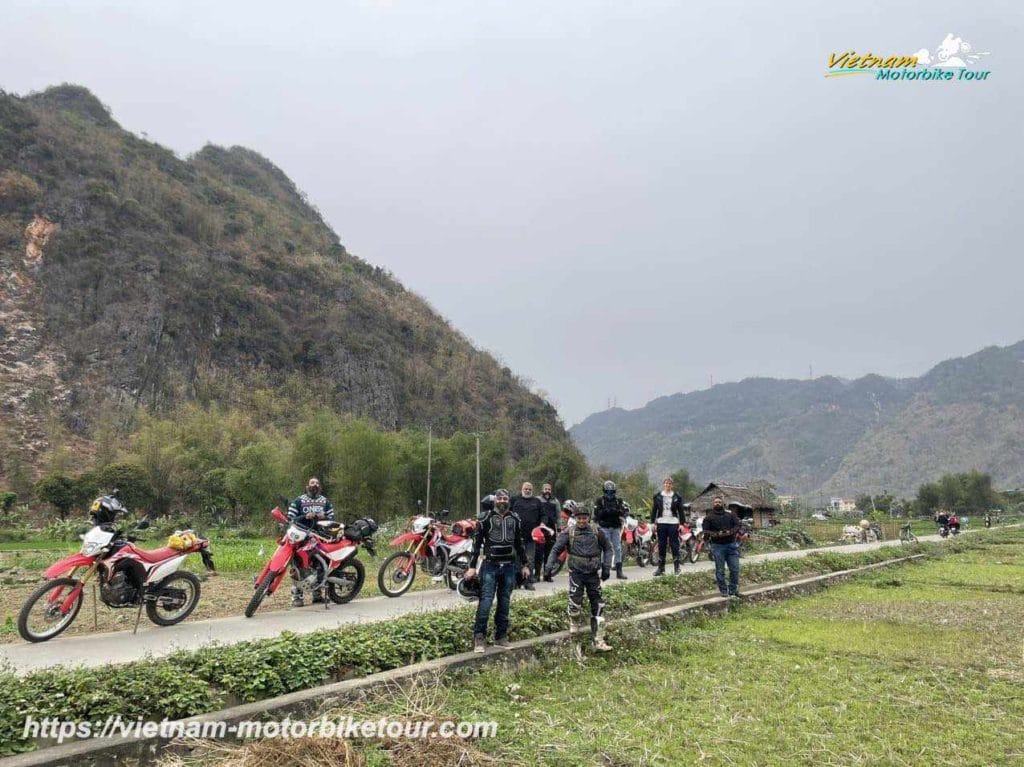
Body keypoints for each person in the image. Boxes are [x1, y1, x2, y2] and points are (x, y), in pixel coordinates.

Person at [465, 489, 530, 652]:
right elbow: (476, 543)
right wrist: (472, 567)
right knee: (486, 601)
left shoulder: (515, 519)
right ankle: (479, 637)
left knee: (505, 602)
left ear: (509, 500)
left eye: (505, 498)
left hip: (509, 565)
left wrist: (525, 564)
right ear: (495, 500)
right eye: (499, 498)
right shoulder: (485, 518)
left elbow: (519, 542)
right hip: (490, 565)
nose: (502, 501)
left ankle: (501, 636)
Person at [545, 503, 613, 652]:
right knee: (575, 604)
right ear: (575, 518)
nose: (582, 521)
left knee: (599, 606)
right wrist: (549, 567)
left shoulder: (597, 531)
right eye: (579, 518)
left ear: (588, 518)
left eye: (584, 518)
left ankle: (599, 640)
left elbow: (608, 548)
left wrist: (607, 567)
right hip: (576, 572)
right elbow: (556, 549)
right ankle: (574, 623)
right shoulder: (569, 532)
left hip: (593, 574)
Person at [287, 477, 335, 606]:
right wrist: (305, 516)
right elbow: (290, 518)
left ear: (320, 487)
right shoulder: (299, 500)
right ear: (307, 485)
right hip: (301, 536)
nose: (315, 485)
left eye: (317, 483)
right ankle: (297, 597)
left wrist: (323, 516)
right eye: (312, 483)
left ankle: (317, 595)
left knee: (319, 565)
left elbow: (332, 518)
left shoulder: (325, 501)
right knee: (298, 566)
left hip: (319, 536)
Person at [702, 496, 742, 597]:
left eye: (719, 502)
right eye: (715, 502)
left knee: (735, 569)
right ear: (713, 504)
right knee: (720, 570)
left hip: (731, 545)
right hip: (717, 546)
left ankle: (733, 590)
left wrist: (730, 532)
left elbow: (737, 526)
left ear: (723, 503)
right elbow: (705, 531)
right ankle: (723, 590)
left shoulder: (731, 515)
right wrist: (716, 534)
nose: (717, 503)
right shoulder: (708, 518)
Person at [510, 482, 545, 589]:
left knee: (530, 560)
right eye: (526, 489)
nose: (528, 491)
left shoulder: (537, 501)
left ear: (532, 490)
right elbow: (507, 513)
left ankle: (528, 582)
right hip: (516, 536)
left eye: (529, 489)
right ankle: (515, 582)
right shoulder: (514, 500)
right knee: (515, 559)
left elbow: (543, 515)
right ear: (522, 489)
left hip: (531, 537)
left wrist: (543, 522)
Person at [651, 477, 686, 576]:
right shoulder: (657, 496)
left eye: (669, 483)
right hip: (661, 522)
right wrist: (652, 523)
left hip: (673, 522)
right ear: (663, 484)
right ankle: (661, 569)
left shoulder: (677, 497)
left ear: (672, 485)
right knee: (661, 545)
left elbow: (681, 511)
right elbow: (654, 510)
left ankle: (677, 568)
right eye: (666, 483)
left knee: (674, 544)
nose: (668, 485)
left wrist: (682, 524)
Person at [594, 480, 628, 579]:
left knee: (617, 548)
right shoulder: (600, 500)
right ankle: (604, 570)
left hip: (616, 528)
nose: (609, 494)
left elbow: (623, 511)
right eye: (608, 491)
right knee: (605, 549)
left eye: (611, 491)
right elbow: (597, 513)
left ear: (614, 491)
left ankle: (619, 571)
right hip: (604, 528)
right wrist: (609, 511)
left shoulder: (619, 500)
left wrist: (614, 511)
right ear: (604, 491)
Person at [539, 483, 560, 579]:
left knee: (550, 553)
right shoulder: (538, 500)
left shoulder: (555, 501)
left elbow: (558, 516)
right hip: (540, 528)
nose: (547, 490)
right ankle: (536, 575)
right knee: (539, 552)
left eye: (549, 489)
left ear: (551, 490)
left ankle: (547, 575)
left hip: (551, 529)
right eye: (545, 489)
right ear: (542, 490)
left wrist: (559, 528)